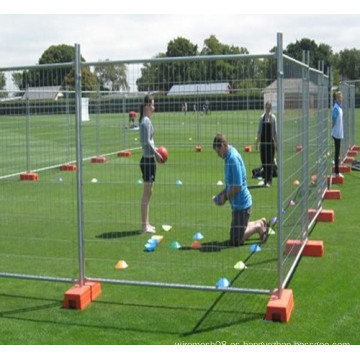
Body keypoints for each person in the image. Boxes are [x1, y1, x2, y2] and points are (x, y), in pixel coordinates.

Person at [213, 133, 268, 246]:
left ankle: (258, 227)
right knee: (236, 234)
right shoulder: (228, 157)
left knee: (235, 240)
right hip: (238, 205)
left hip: (242, 206)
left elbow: (238, 186)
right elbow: (230, 185)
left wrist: (225, 197)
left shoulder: (233, 159)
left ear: (223, 145)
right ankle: (260, 222)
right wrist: (221, 195)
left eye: (218, 151)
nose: (218, 155)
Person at [139, 95, 164, 234]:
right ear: (146, 106)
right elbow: (147, 142)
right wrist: (157, 154)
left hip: (148, 160)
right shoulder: (146, 121)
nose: (154, 108)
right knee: (147, 194)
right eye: (152, 105)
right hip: (148, 160)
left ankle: (147, 224)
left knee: (149, 193)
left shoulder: (145, 120)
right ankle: (144, 226)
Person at [255, 101, 278, 187]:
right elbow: (259, 131)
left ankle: (269, 181)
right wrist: (257, 143)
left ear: (271, 108)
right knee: (264, 161)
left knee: (270, 162)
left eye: (269, 108)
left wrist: (277, 144)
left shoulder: (273, 118)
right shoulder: (262, 118)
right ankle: (265, 180)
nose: (268, 109)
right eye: (266, 108)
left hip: (270, 143)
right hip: (263, 143)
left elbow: (275, 132)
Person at [332, 91, 344, 178]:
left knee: (337, 153)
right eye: (339, 97)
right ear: (336, 99)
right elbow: (334, 120)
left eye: (341, 97)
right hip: (336, 133)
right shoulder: (336, 108)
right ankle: (337, 172)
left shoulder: (339, 107)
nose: (341, 99)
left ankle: (336, 167)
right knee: (337, 153)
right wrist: (332, 130)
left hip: (339, 133)